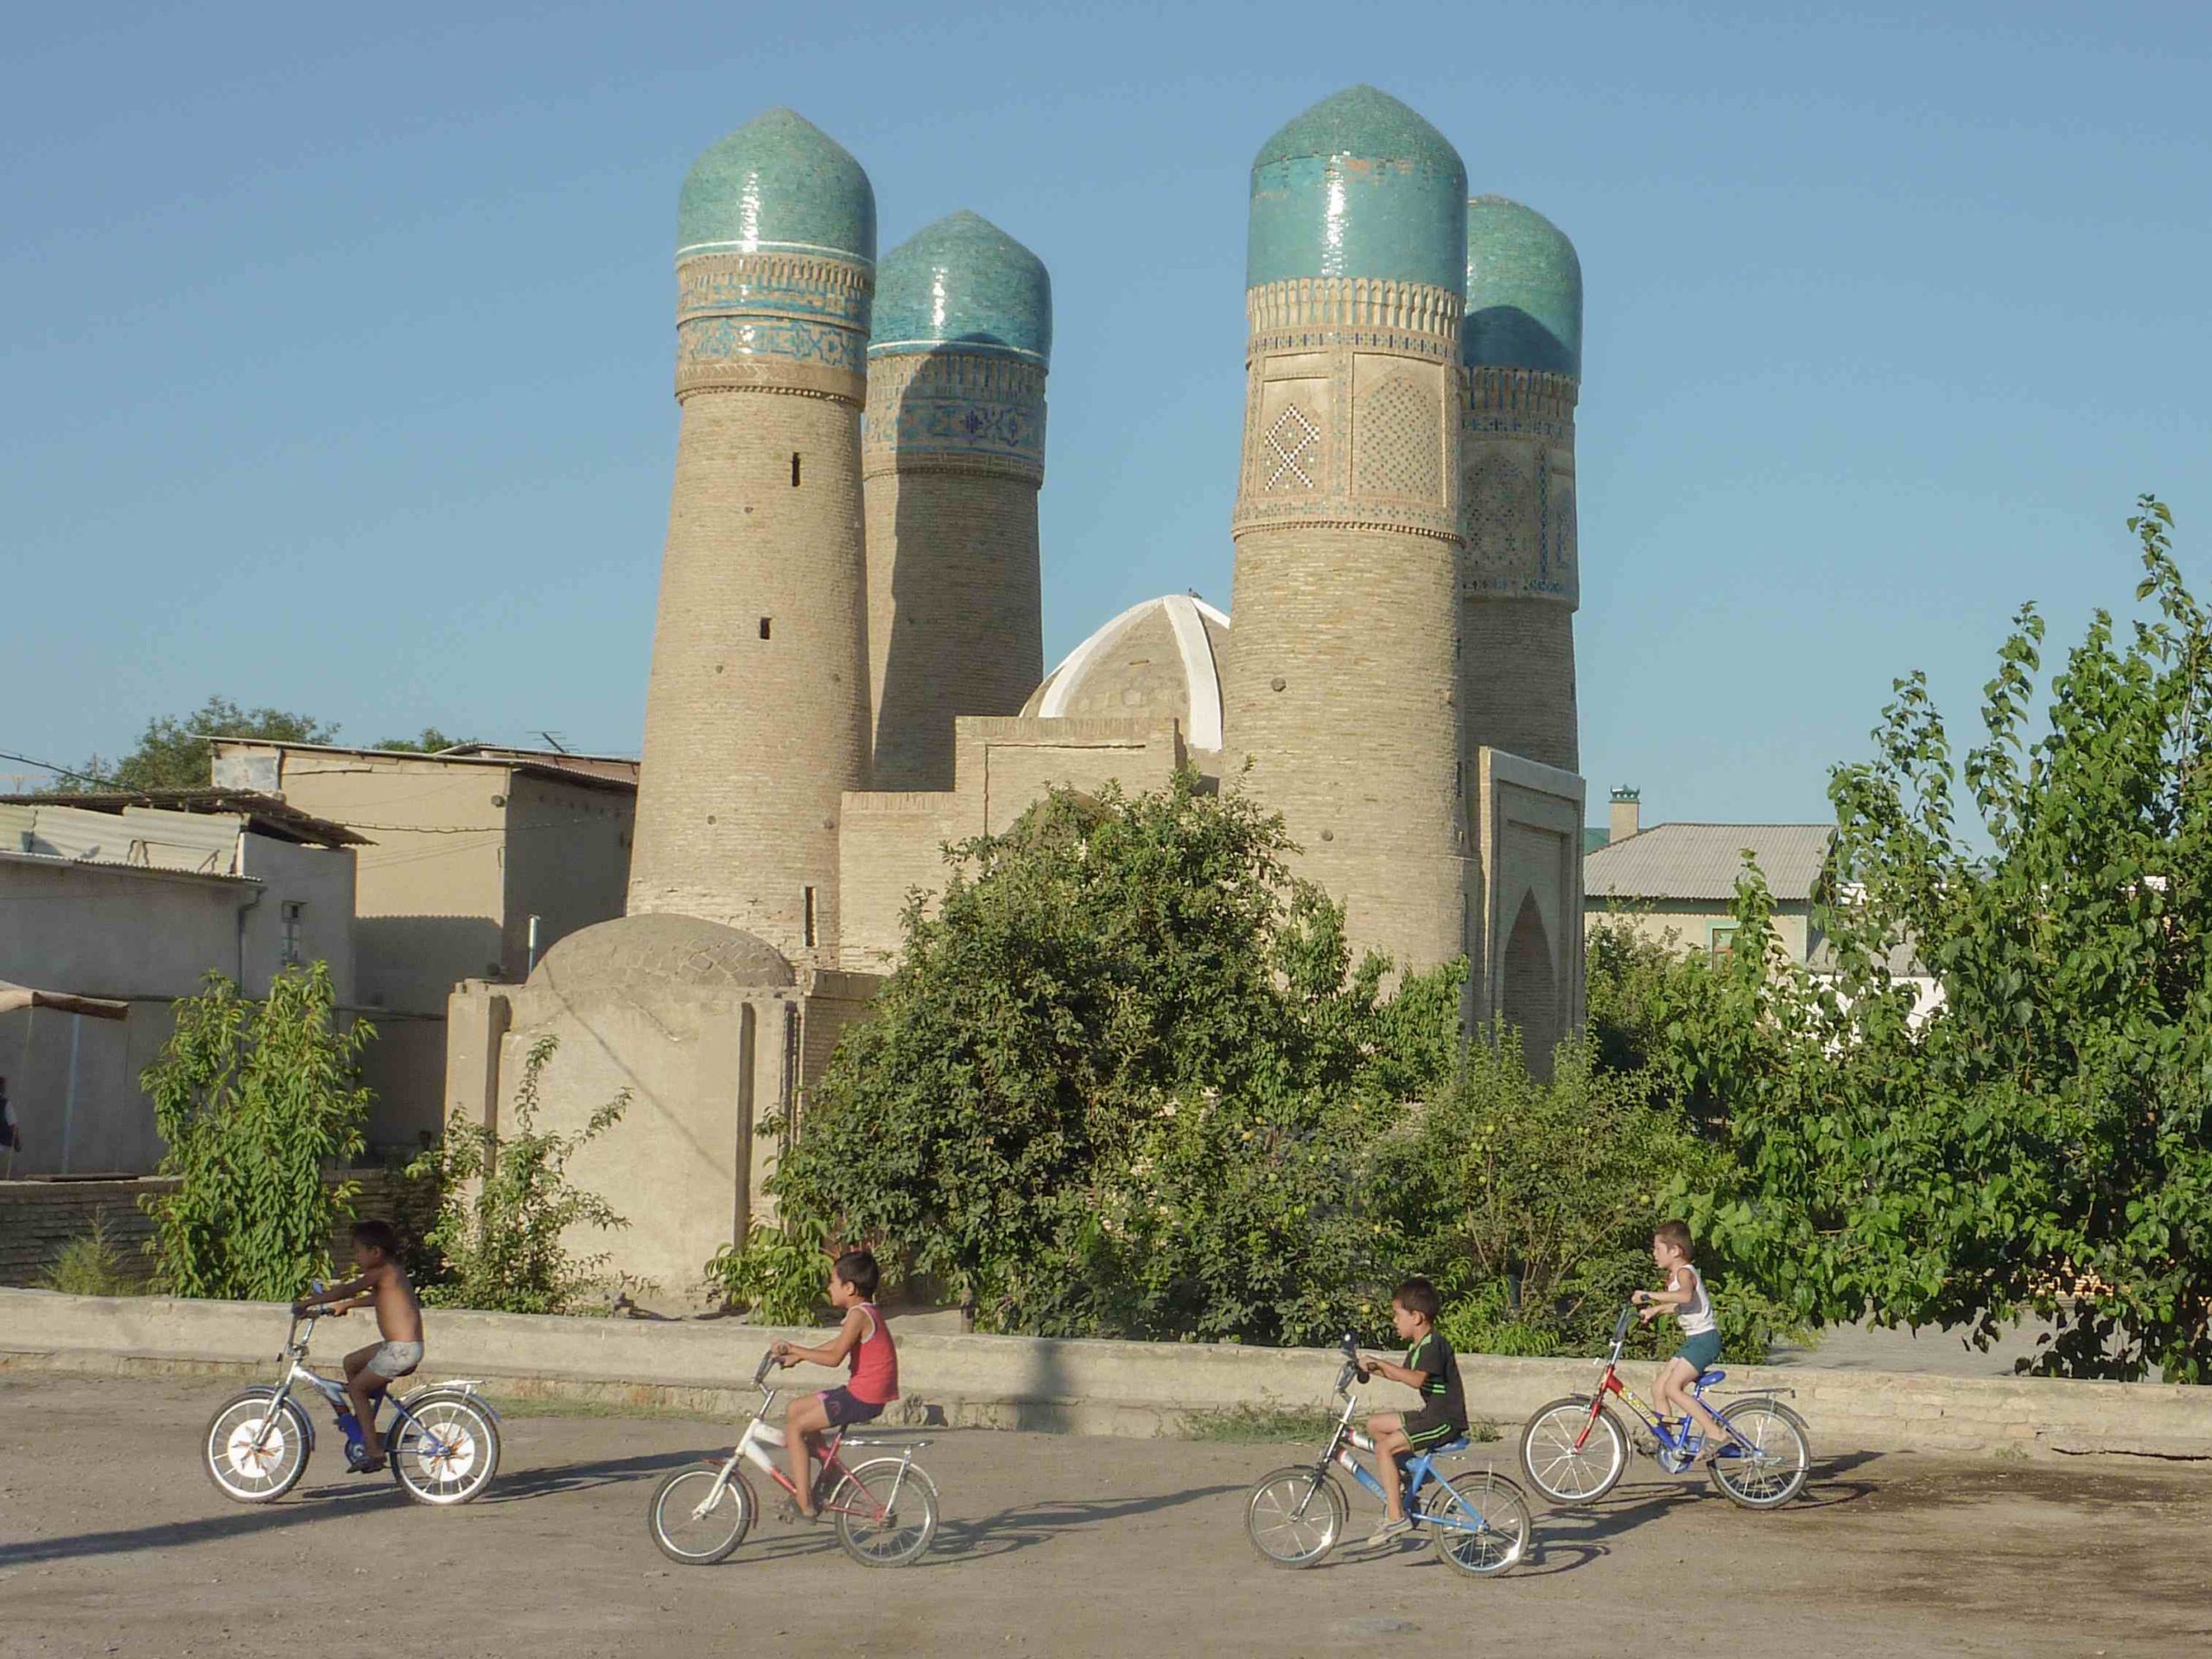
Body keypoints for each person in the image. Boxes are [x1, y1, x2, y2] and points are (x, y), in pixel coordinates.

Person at [769, 1249, 899, 1520]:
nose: (829, 1287)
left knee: (796, 1428)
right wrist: (797, 1356)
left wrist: (797, 1349)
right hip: (861, 1391)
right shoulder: (864, 1312)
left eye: (832, 1281)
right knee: (795, 1409)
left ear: (849, 1287)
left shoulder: (858, 1315)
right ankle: (834, 1476)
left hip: (863, 1397)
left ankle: (804, 1502)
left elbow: (834, 1358)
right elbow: (839, 1345)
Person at [292, 1219, 423, 1472]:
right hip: (395, 1347)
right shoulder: (391, 1273)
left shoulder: (383, 1271)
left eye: (358, 1251)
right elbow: (377, 1298)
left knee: (357, 1389)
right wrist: (346, 1306)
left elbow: (348, 1288)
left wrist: (309, 1301)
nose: (357, 1256)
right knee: (351, 1362)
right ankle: (364, 1427)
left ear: (375, 1252)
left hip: (400, 1350)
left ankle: (373, 1451)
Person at [1354, 1277, 1467, 1548]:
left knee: (1384, 1450)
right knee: (1376, 1425)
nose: (1394, 1320)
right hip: (1431, 1413)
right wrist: (1368, 1367)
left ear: (1416, 1317)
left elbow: (1415, 1380)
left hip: (1444, 1420)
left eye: (1397, 1314)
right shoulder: (1418, 1345)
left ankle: (1396, 1517)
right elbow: (1401, 1375)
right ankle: (1414, 1473)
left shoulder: (1433, 1345)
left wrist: (1379, 1361)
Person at [1632, 1219, 1737, 1463]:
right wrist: (1655, 1311)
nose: (1654, 1254)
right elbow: (1682, 1303)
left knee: (1672, 1388)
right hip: (1694, 1341)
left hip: (1704, 1341)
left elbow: (1686, 1295)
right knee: (1658, 1387)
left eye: (1658, 1248)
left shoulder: (1684, 1272)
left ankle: (1716, 1434)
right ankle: (1665, 1438)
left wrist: (1648, 1296)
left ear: (1675, 1251)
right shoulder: (1677, 1275)